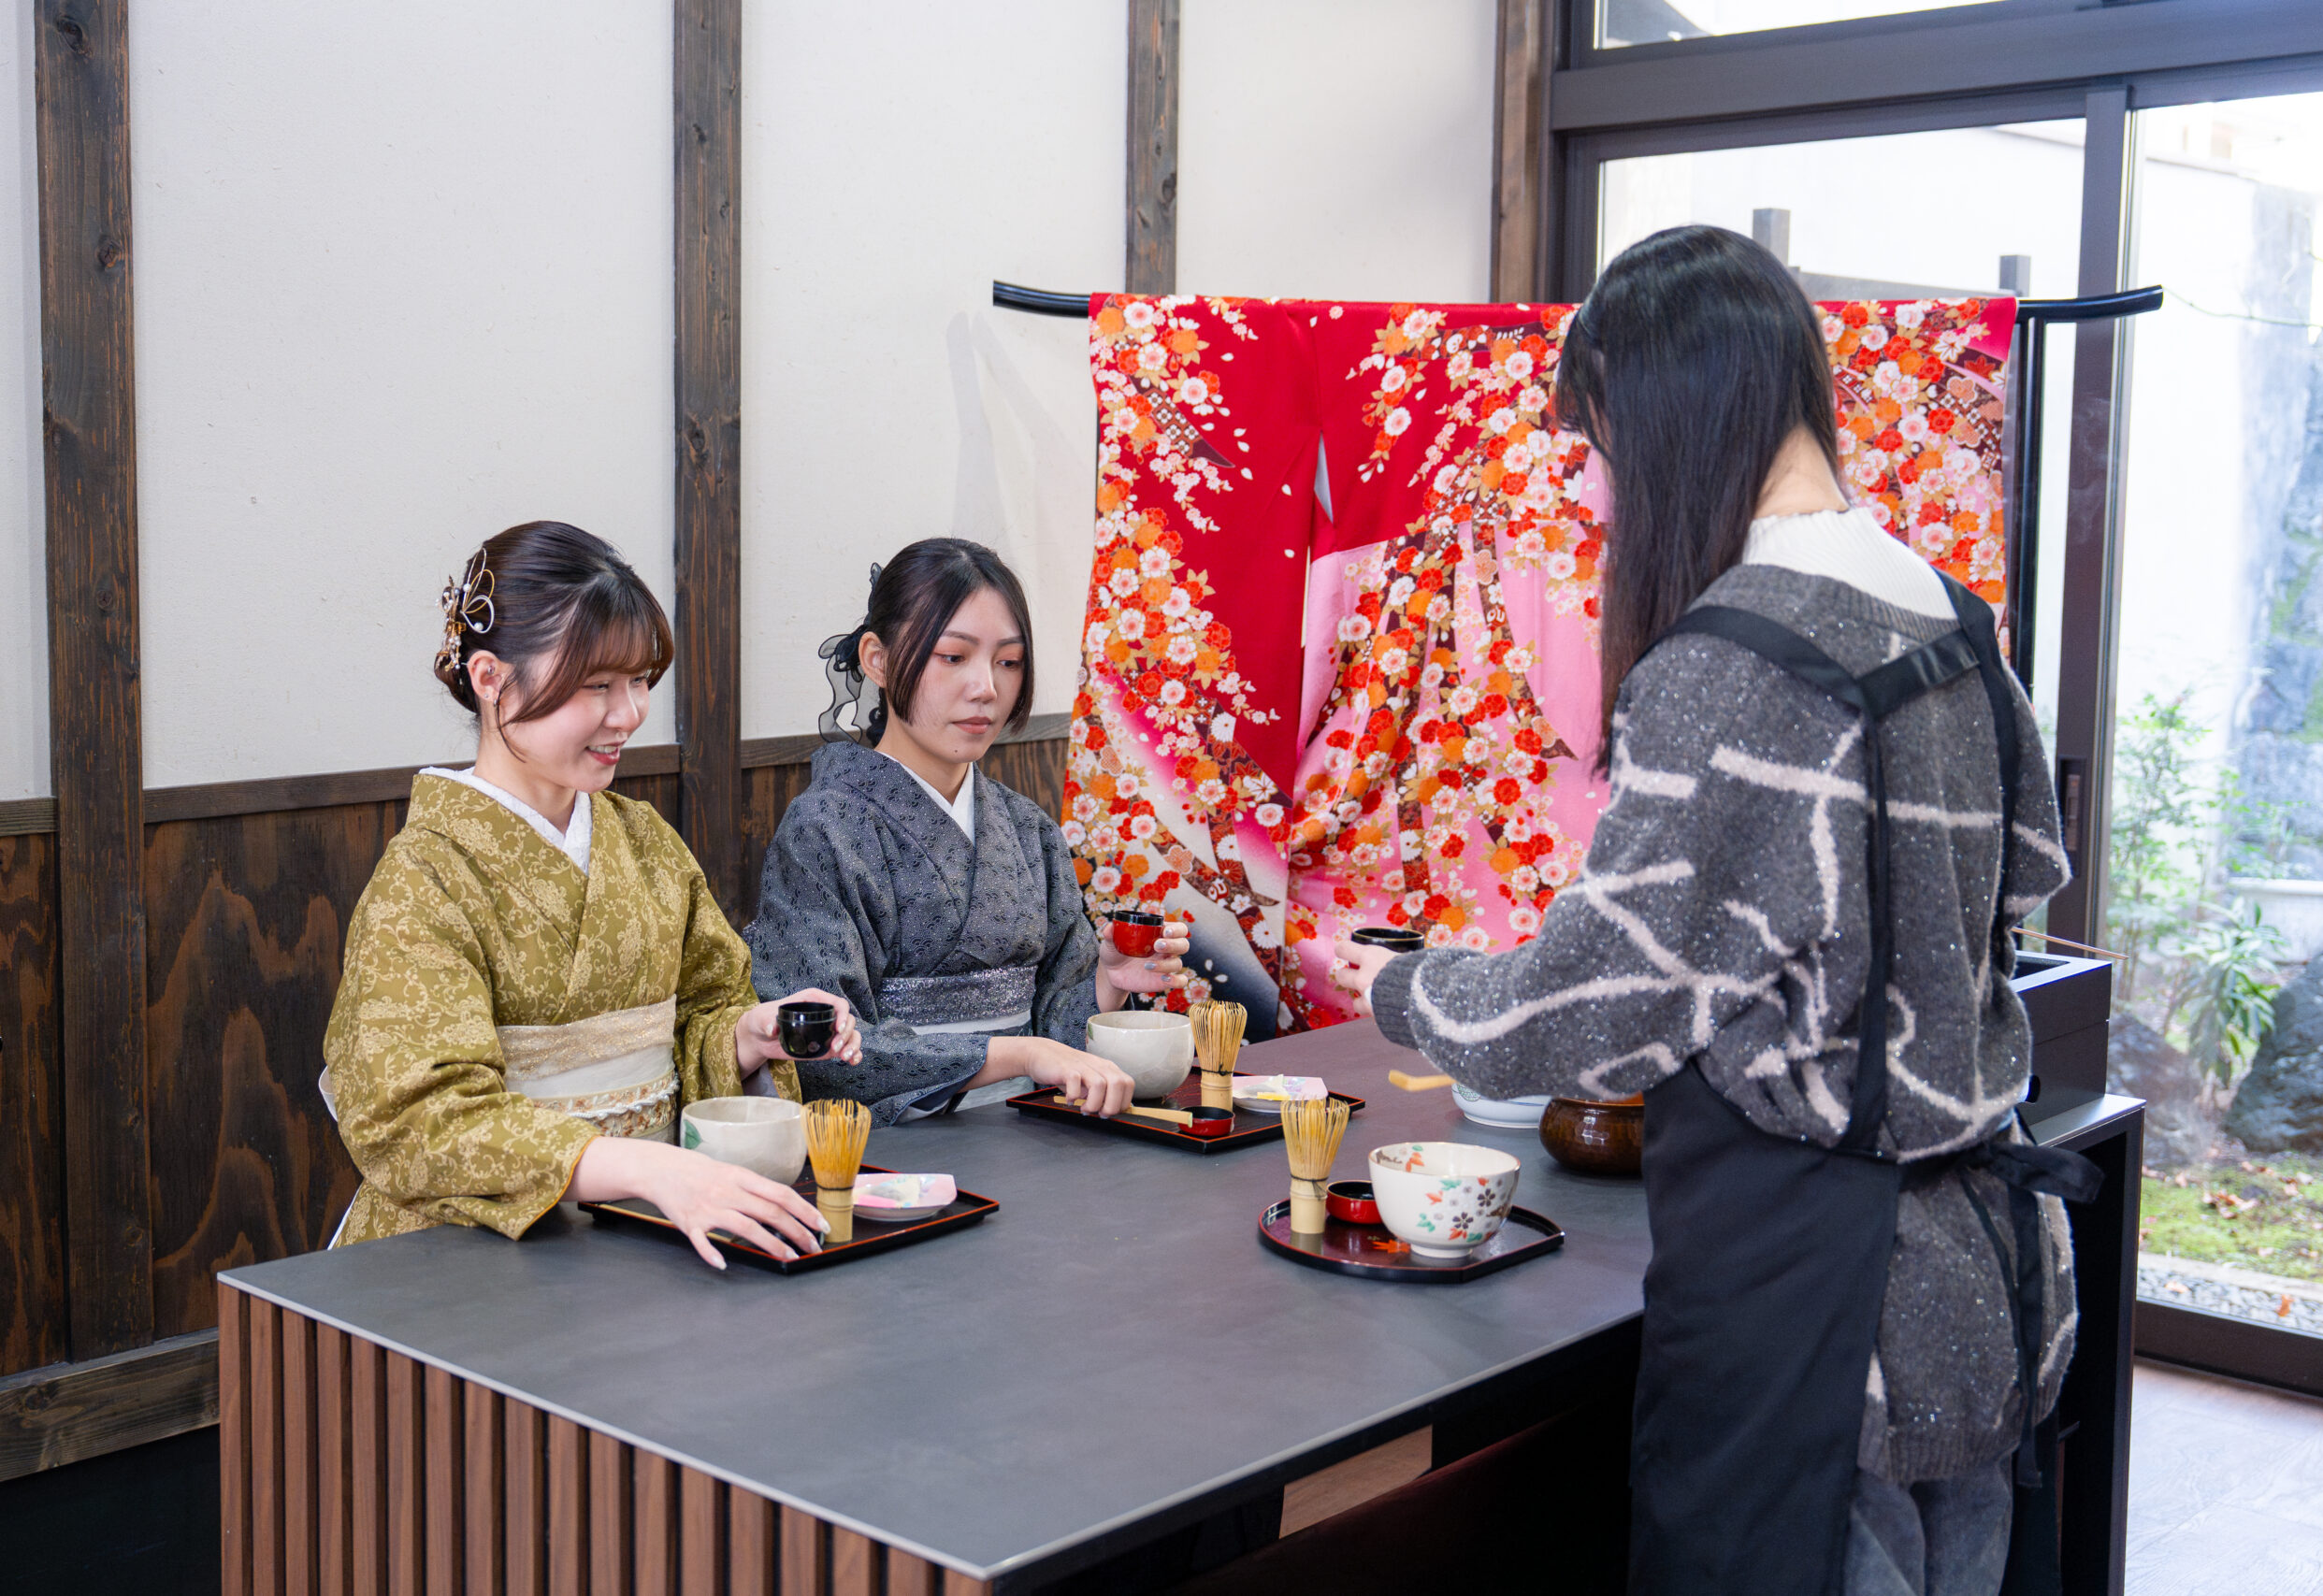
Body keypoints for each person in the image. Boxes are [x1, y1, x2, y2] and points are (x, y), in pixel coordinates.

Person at [1335, 227, 2099, 1596]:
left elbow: (1599, 1009)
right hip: (1977, 1276)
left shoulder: (1739, 661)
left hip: (1815, 1303)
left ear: (1664, 412)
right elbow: (2023, 872)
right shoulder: (1952, 617)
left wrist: (1401, 984)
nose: (1600, 487)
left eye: (1600, 444)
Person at [323, 521, 862, 1270]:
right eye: (597, 685)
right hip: (468, 1254)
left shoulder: (643, 841)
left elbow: (703, 1011)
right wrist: (642, 1167)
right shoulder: (425, 877)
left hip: (649, 1229)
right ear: (490, 677)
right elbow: (419, 1119)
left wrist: (747, 1037)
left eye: (639, 680)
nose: (630, 713)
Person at [745, 538, 1189, 1124]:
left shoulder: (1027, 828)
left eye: (1008, 662)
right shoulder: (822, 831)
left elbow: (1059, 1033)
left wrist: (1108, 983)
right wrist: (1017, 1054)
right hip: (897, 1150)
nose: (986, 688)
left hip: (1036, 1127)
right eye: (953, 657)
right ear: (877, 660)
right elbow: (819, 1051)